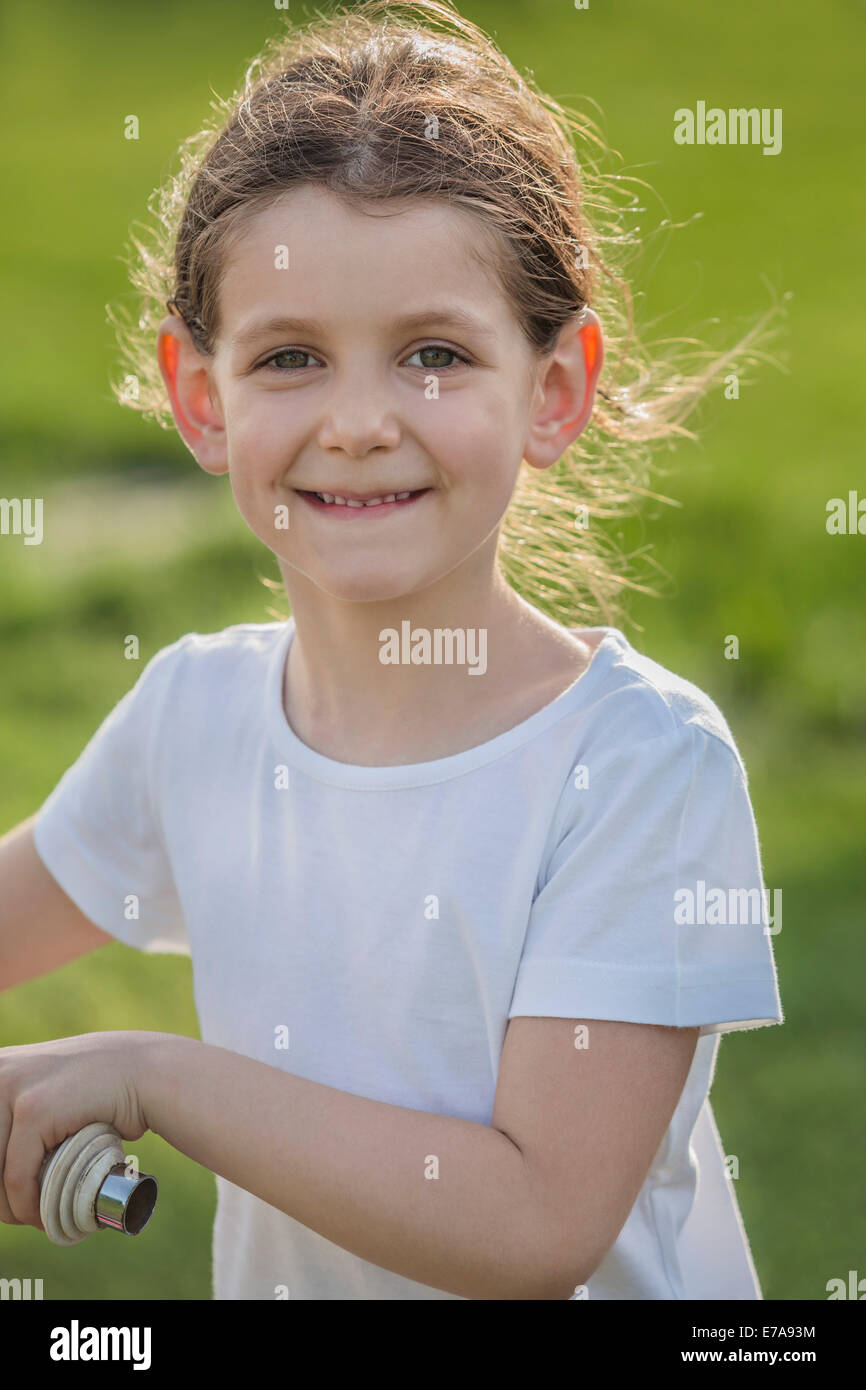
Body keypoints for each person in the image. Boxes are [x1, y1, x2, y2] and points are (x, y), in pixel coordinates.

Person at [0, 0, 783, 1299]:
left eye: (432, 355)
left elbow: (532, 1224)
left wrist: (153, 1075)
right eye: (291, 356)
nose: (359, 421)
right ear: (203, 397)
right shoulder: (195, 714)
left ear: (554, 390)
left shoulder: (638, 768)